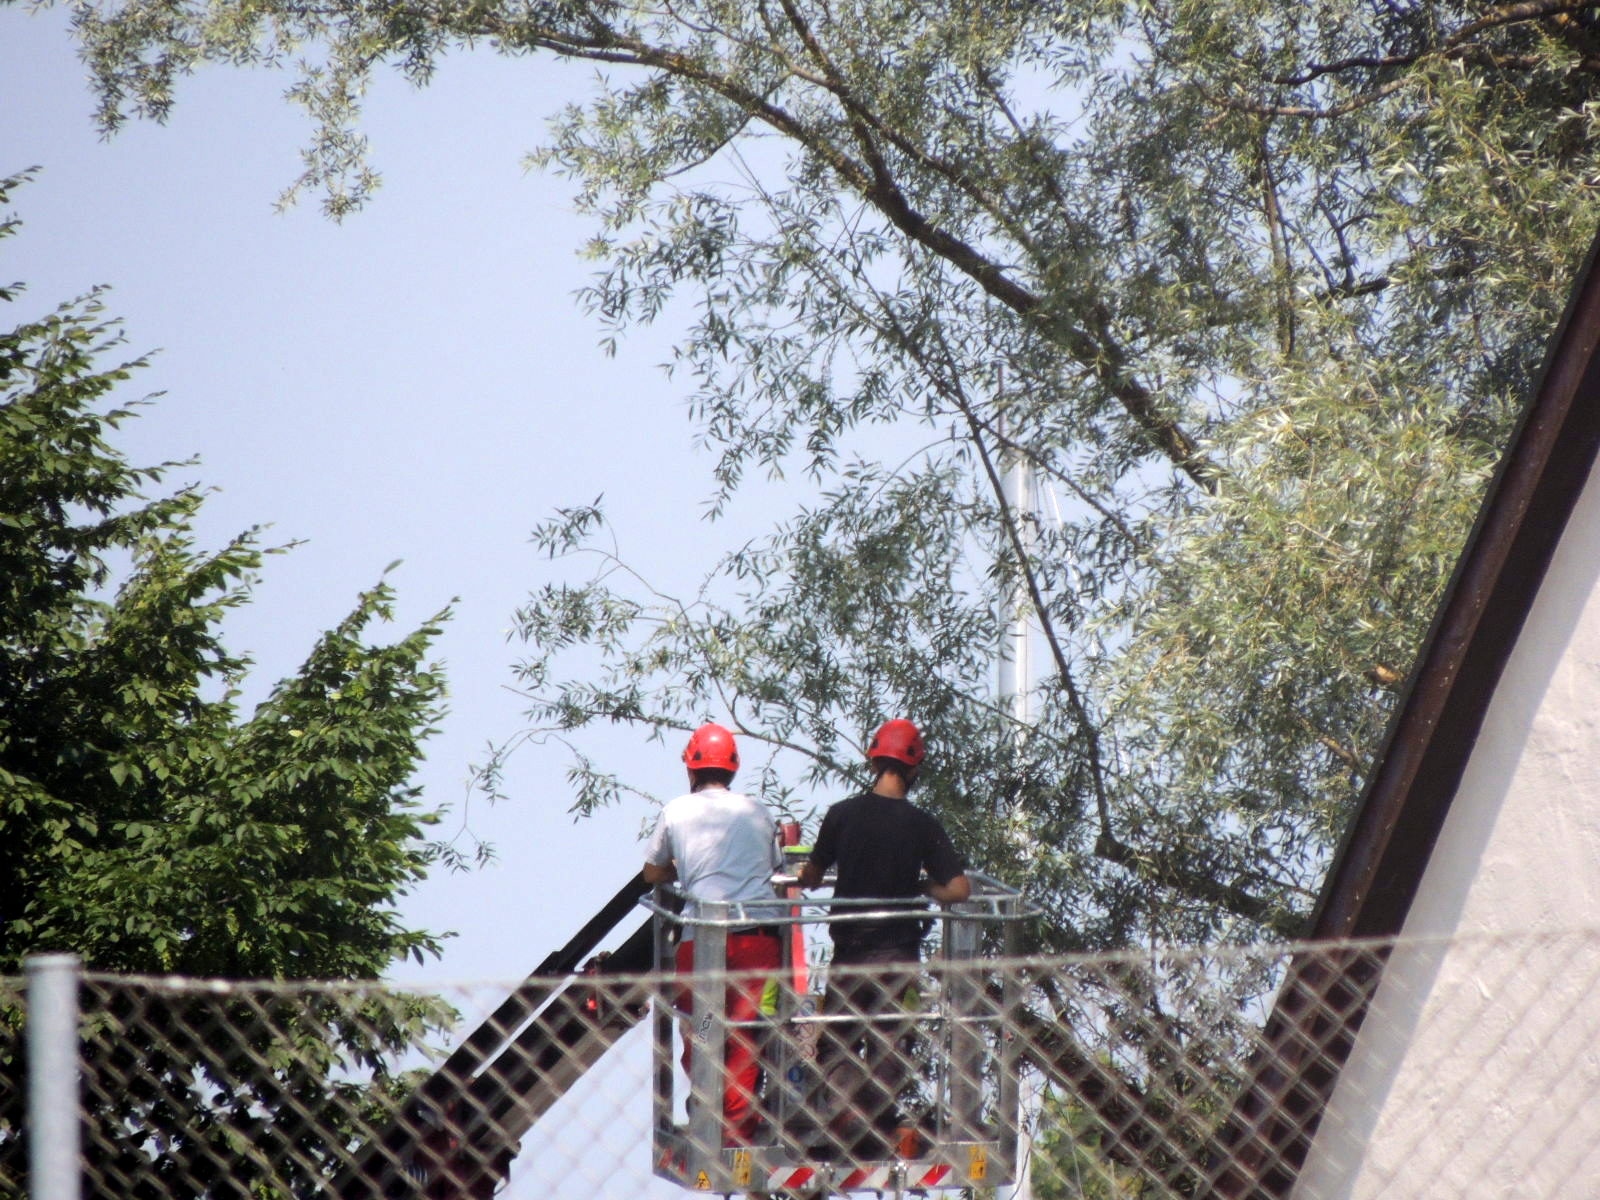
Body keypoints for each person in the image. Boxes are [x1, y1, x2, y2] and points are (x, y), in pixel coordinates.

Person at [797, 718, 971, 1157]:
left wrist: (806, 873)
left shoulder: (841, 815)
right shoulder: (922, 825)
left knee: (839, 1038)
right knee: (890, 1044)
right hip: (897, 957)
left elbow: (813, 874)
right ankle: (873, 1123)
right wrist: (923, 886)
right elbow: (958, 890)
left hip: (851, 952)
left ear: (874, 762)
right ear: (914, 769)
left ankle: (842, 1117)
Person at [643, 722, 782, 1146]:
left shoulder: (676, 811)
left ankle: (707, 1111)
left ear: (691, 769)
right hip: (756, 941)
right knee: (743, 1038)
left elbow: (652, 872)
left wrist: (683, 867)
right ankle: (735, 1134)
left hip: (701, 942)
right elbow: (774, 865)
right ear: (733, 769)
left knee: (701, 1031)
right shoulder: (757, 811)